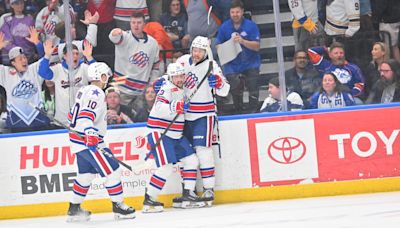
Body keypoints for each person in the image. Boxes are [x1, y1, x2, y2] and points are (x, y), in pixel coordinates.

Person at [66, 62, 135, 222]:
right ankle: (118, 205)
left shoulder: (83, 90)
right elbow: (85, 116)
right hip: (89, 140)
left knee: (86, 175)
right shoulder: (97, 92)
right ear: (101, 76)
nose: (107, 80)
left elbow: (72, 117)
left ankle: (74, 209)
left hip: (78, 140)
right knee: (112, 170)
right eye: (106, 77)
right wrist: (90, 133)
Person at [143, 63, 208, 213]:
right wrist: (176, 106)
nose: (179, 79)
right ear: (171, 76)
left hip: (176, 135)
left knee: (191, 160)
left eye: (181, 75)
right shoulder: (166, 88)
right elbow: (159, 108)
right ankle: (149, 199)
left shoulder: (180, 86)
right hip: (160, 133)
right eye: (176, 76)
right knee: (165, 167)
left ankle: (187, 195)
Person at [175, 35, 230, 206]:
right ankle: (188, 190)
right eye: (194, 49)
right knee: (185, 154)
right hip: (184, 116)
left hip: (204, 115)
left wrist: (219, 83)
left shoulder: (212, 67)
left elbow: (225, 91)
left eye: (200, 50)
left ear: (206, 51)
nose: (196, 53)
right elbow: (172, 79)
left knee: (203, 151)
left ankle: (208, 189)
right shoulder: (183, 61)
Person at [215, 0, 261, 113]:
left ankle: (253, 112)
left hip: (250, 62)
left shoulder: (251, 26)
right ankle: (238, 111)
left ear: (242, 12)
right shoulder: (224, 27)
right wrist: (228, 44)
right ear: (229, 13)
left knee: (253, 89)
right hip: (233, 65)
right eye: (232, 12)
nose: (235, 15)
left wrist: (242, 41)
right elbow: (218, 45)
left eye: (237, 12)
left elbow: (257, 46)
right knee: (236, 91)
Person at [0, 32, 51, 132]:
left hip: (38, 121)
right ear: (13, 62)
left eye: (24, 57)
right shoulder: (6, 73)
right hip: (16, 123)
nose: (24, 61)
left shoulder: (34, 69)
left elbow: (44, 61)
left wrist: (38, 44)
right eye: (20, 59)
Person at [38, 40, 94, 127]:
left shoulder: (84, 68)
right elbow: (42, 72)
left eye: (76, 54)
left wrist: (89, 57)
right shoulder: (58, 69)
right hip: (61, 121)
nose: (75, 56)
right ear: (64, 56)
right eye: (72, 54)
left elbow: (99, 74)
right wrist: (47, 56)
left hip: (81, 120)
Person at [109, 12, 160, 107]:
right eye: (133, 22)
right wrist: (115, 32)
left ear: (144, 24)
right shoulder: (125, 37)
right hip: (121, 90)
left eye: (139, 22)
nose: (136, 25)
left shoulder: (153, 43)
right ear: (130, 24)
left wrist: (152, 85)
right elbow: (113, 37)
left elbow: (156, 66)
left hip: (141, 92)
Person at [0, 0, 35, 64]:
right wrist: (19, 52)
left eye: (21, 3)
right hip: (11, 57)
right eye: (16, 3)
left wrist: (34, 52)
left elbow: (33, 37)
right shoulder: (7, 20)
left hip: (28, 56)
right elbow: (6, 40)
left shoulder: (30, 19)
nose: (20, 5)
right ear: (11, 5)